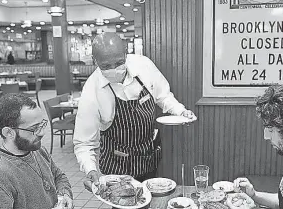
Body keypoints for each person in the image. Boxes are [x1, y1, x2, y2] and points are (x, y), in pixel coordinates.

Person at [74, 32, 196, 183]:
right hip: (117, 167)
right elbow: (84, 142)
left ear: (126, 54)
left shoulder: (143, 65)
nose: (114, 69)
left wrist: (181, 111)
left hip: (148, 158)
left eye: (119, 62)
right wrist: (90, 170)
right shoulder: (92, 91)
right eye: (106, 66)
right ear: (95, 61)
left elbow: (163, 96)